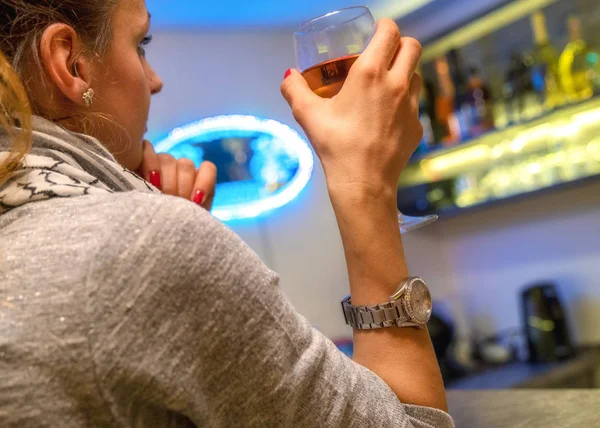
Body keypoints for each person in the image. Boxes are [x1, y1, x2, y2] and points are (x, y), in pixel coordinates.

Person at [0, 0, 453, 426]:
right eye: (141, 44)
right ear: (70, 64)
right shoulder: (143, 248)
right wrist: (365, 185)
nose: (154, 80)